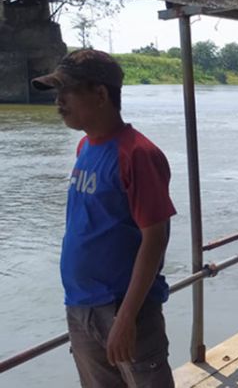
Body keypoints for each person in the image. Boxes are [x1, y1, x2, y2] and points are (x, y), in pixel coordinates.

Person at [32, 49, 177, 387]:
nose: (59, 101)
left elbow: (155, 238)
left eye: (67, 91)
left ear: (100, 94)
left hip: (123, 309)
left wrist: (126, 317)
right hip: (81, 306)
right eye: (57, 92)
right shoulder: (86, 148)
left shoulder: (137, 154)